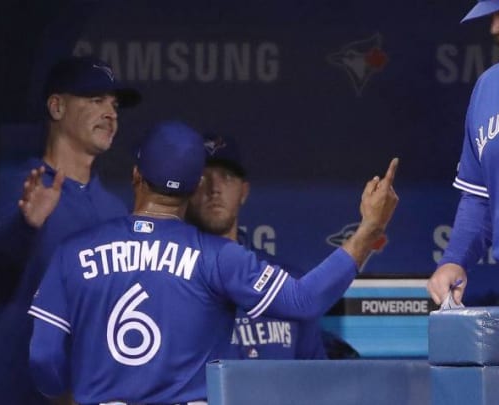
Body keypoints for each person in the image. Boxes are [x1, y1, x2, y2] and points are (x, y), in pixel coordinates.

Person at [28, 120, 399, 404]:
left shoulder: (74, 252)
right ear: (193, 189)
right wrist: (369, 228)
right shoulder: (218, 257)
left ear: (137, 174)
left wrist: (68, 396)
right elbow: (305, 301)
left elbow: (44, 359)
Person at [0, 56, 141, 405]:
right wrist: (27, 225)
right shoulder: (24, 187)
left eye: (114, 104)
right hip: (19, 390)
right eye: (96, 100)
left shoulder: (115, 210)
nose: (111, 113)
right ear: (57, 106)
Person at [427, 0, 499, 307]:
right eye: (492, 16)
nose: (494, 27)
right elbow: (479, 195)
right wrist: (455, 259)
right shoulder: (490, 86)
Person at [186, 134, 327, 359]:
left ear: (244, 192)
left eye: (227, 177)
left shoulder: (287, 282)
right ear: (185, 192)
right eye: (202, 178)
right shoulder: (173, 282)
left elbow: (315, 378)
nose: (215, 188)